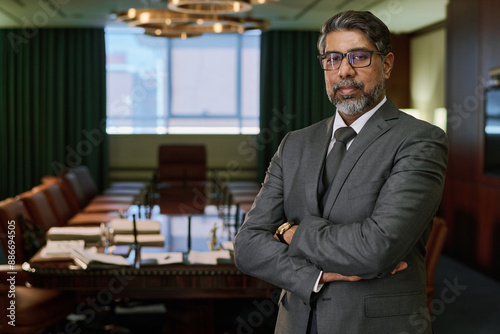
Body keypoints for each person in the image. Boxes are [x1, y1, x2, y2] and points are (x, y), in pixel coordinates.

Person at [233, 10, 448, 334]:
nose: (343, 70)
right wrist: (313, 277)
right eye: (332, 59)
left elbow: (377, 249)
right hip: (294, 324)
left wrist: (290, 233)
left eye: (358, 57)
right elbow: (247, 245)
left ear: (386, 63)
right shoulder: (295, 143)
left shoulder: (420, 140)